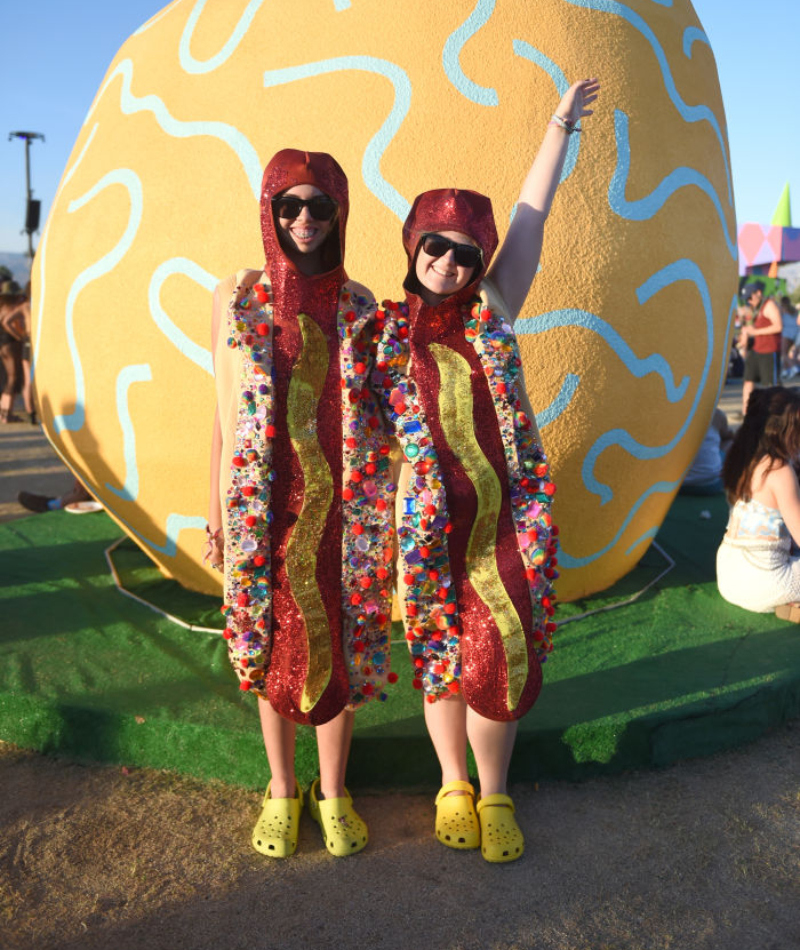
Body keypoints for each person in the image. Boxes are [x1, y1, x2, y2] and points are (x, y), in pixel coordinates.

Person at [377, 78, 600, 862]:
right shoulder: (380, 329)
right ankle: (452, 783)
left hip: (510, 516)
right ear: (413, 246)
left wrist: (558, 126)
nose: (447, 261)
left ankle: (496, 788)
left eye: (465, 251)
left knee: (502, 646)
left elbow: (533, 218)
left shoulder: (495, 308)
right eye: (434, 246)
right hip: (427, 519)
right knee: (439, 651)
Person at [206, 149, 394, 859]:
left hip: (343, 512)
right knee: (270, 640)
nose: (305, 219)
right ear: (270, 210)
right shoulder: (237, 294)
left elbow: (381, 412)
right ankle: (282, 788)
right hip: (265, 506)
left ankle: (334, 790)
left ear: (340, 213)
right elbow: (222, 415)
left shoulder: (360, 304)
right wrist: (217, 511)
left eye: (319, 206)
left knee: (335, 645)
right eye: (289, 205)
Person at [716, 386, 800, 620]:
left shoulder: (740, 456)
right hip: (765, 581)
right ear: (779, 431)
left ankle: (790, 605)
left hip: (728, 576)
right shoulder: (779, 469)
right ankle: (788, 602)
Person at [739, 283, 782, 416]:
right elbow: (749, 328)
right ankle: (747, 413)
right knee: (748, 381)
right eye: (747, 299)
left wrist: (755, 332)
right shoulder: (754, 309)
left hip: (769, 350)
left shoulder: (769, 305)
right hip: (756, 350)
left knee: (770, 385)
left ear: (758, 293)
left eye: (750, 297)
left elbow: (778, 327)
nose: (749, 301)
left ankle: (774, 414)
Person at [679, 408, 735, 495]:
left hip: (675, 487)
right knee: (730, 443)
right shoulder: (716, 414)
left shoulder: (671, 415)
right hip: (711, 484)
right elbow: (728, 436)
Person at [0, 280, 25, 424]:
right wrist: (18, 336)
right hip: (9, 343)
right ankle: (7, 414)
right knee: (13, 377)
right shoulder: (11, 308)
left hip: (2, 343)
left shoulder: (2, 306)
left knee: (8, 378)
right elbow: (7, 323)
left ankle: (4, 413)